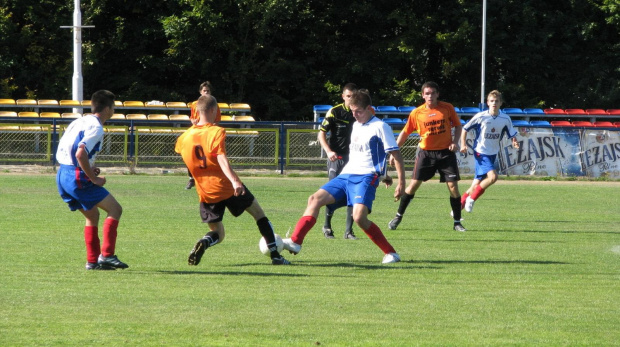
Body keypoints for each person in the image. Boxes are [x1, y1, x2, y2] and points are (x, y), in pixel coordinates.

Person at [282, 90, 406, 264]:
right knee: (314, 199)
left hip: (365, 177)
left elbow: (396, 155)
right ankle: (295, 242)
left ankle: (391, 253)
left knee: (359, 218)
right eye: (352, 111)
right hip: (346, 175)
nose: (354, 115)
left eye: (359, 111)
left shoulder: (381, 126)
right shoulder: (356, 125)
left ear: (370, 109)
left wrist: (400, 182)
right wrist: (385, 175)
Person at [175, 94, 290, 266]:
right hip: (226, 186)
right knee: (258, 214)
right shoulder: (216, 131)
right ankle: (275, 255)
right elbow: (221, 158)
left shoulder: (184, 138)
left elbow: (188, 163)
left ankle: (205, 241)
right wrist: (235, 181)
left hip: (205, 192)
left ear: (197, 112)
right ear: (214, 110)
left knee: (218, 234)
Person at [56, 90, 129, 270]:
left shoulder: (79, 121)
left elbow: (69, 149)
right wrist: (93, 178)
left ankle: (92, 261)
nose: (113, 111)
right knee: (115, 209)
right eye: (113, 107)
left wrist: (86, 167)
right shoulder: (96, 127)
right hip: (76, 176)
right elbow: (80, 153)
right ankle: (107, 255)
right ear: (107, 108)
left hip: (62, 175)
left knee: (92, 215)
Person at [387, 81, 466, 232]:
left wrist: (455, 142)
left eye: (433, 93)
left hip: (445, 153)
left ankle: (457, 222)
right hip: (426, 153)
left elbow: (457, 125)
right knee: (413, 186)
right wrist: (394, 151)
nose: (430, 96)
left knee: (453, 187)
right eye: (427, 93)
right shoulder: (416, 113)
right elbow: (405, 132)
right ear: (423, 95)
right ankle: (398, 216)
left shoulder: (447, 108)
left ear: (437, 94)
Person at [459, 90, 519, 212]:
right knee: (493, 177)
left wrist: (514, 141)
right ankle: (471, 199)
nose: (494, 103)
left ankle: (456, 209)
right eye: (491, 101)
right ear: (487, 102)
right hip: (480, 152)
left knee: (475, 185)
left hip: (492, 153)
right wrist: (463, 144)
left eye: (497, 101)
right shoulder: (481, 116)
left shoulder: (505, 118)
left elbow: (511, 133)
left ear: (501, 103)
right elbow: (465, 129)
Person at [317, 82, 358, 240]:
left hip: (353, 159)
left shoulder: (359, 112)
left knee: (352, 193)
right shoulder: (334, 112)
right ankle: (327, 226)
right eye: (348, 96)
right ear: (343, 96)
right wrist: (328, 151)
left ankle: (348, 231)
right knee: (332, 192)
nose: (351, 99)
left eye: (353, 97)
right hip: (337, 158)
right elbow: (321, 134)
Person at [185, 81, 222, 189]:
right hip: (196, 132)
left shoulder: (214, 105)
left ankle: (210, 179)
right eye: (204, 90)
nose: (206, 92)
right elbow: (192, 117)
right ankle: (191, 178)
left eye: (208, 91)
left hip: (208, 133)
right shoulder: (194, 104)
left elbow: (217, 120)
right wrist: (193, 121)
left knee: (210, 156)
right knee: (190, 155)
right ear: (200, 92)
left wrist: (209, 126)